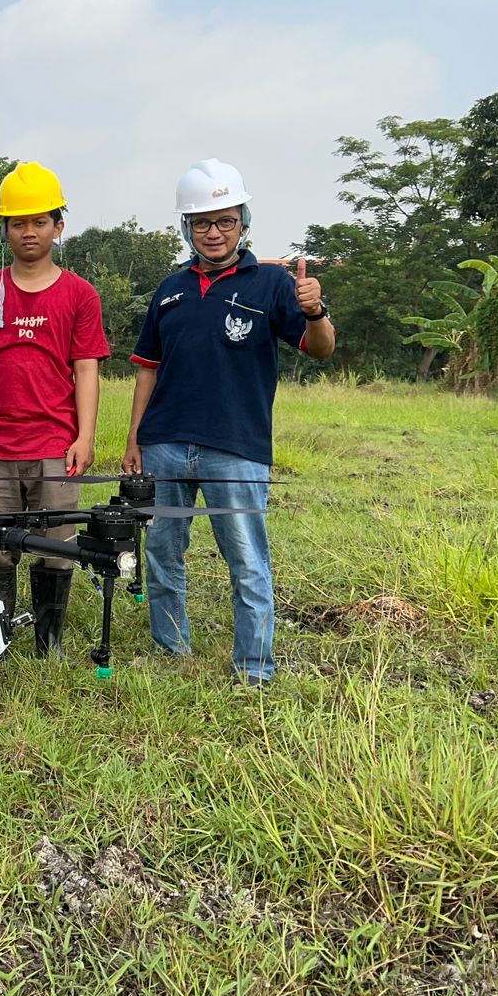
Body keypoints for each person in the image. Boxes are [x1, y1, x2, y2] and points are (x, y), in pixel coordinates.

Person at [122, 158, 335, 685]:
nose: (213, 232)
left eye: (225, 221)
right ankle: (171, 653)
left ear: (244, 222)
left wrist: (315, 310)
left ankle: (254, 668)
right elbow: (147, 370)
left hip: (236, 448)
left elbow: (320, 349)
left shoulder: (272, 284)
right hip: (166, 443)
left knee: (247, 561)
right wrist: (134, 440)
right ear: (187, 229)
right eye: (201, 222)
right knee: (163, 555)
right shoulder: (169, 290)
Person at [0, 162, 109, 655]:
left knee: (55, 547)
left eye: (39, 221)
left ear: (58, 227)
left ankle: (49, 642)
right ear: (5, 228)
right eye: (18, 222)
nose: (28, 232)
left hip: (56, 447)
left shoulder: (80, 294)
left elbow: (86, 369)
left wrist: (84, 437)